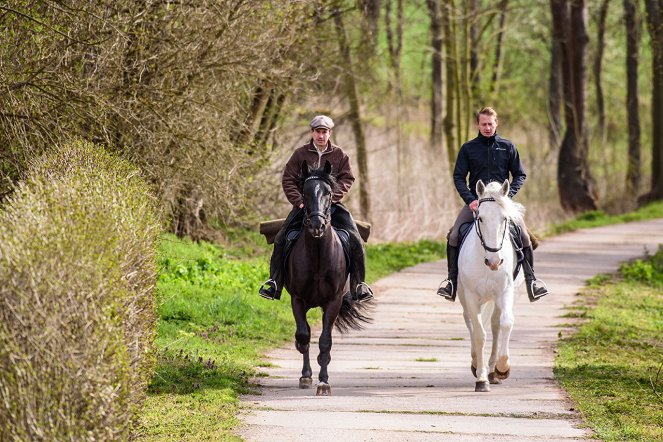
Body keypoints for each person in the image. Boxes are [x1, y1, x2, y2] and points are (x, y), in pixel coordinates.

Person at [437, 106, 549, 302]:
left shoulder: (508, 147)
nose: (487, 127)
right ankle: (451, 282)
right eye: (483, 124)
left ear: (496, 123)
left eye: (490, 124)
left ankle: (532, 282)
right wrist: (470, 200)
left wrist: (507, 197)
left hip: (502, 204)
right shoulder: (468, 149)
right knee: (454, 235)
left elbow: (520, 174)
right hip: (476, 202)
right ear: (478, 125)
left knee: (524, 236)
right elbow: (458, 176)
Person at [259, 115, 374, 303]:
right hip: (305, 207)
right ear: (312, 132)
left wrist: (331, 198)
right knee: (281, 238)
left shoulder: (340, 155)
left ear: (330, 133)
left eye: (324, 132)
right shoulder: (300, 154)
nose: (321, 135)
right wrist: (298, 201)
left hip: (332, 206)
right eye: (318, 131)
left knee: (355, 239)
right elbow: (288, 179)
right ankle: (274, 283)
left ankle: (359, 285)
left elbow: (348, 179)